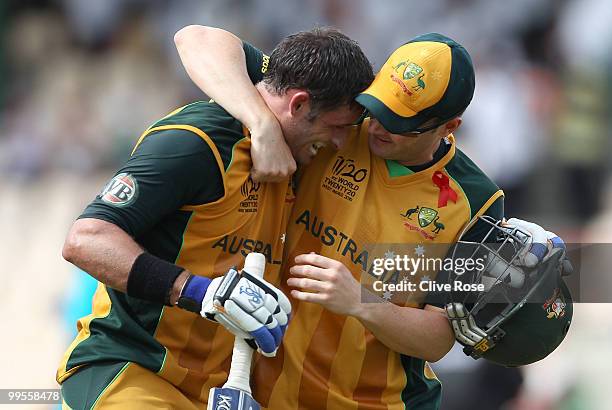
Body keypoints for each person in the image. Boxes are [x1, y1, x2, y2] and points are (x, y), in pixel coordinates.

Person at [174, 26, 567, 409]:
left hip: (377, 401)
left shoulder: (477, 202)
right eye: (379, 107)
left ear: (449, 127)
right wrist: (261, 125)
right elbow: (196, 39)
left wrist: (362, 303)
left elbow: (438, 338)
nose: (377, 126)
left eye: (400, 123)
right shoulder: (336, 121)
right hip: (265, 391)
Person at [56, 27, 374, 408]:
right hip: (132, 368)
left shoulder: (296, 132)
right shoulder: (195, 144)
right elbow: (85, 240)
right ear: (299, 104)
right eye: (337, 127)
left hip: (213, 391)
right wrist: (200, 291)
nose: (341, 143)